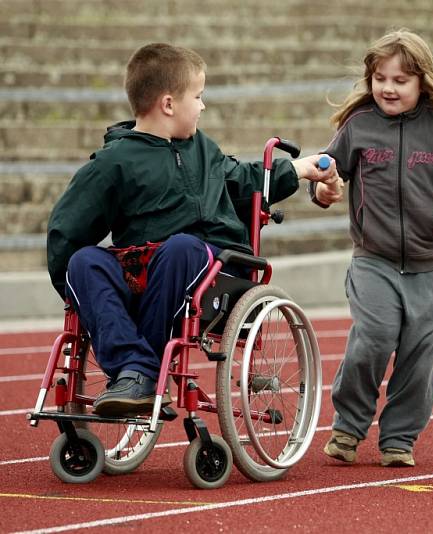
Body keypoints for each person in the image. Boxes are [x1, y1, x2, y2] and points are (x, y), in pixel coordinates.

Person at [46, 43, 338, 417]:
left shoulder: (204, 150)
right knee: (83, 261)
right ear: (169, 104)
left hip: (215, 269)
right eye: (198, 97)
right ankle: (133, 372)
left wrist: (299, 169)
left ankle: (141, 375)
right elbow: (67, 230)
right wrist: (79, 294)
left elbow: (243, 181)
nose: (203, 106)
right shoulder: (112, 163)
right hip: (145, 272)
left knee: (180, 247)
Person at [310, 29, 433, 467]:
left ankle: (399, 439)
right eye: (380, 78)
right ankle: (349, 426)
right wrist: (324, 190)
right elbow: (330, 173)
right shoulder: (359, 126)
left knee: (423, 359)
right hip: (374, 260)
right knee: (374, 338)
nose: (388, 87)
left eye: (400, 80)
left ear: (423, 81)